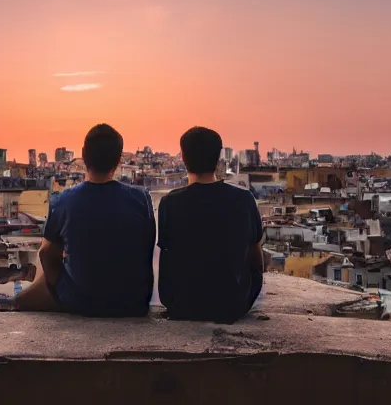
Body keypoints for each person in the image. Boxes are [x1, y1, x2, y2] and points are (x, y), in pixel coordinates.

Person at [15, 124, 155, 316]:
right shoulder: (141, 198)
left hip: (80, 301)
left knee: (22, 298)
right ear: (118, 159)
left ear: (84, 155)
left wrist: (58, 286)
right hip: (134, 302)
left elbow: (46, 254)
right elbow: (146, 245)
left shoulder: (63, 201)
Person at [158, 126, 263, 323]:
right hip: (233, 305)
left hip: (182, 305)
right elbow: (256, 259)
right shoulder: (243, 199)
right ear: (218, 158)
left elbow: (167, 260)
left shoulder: (170, 203)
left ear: (183, 157)